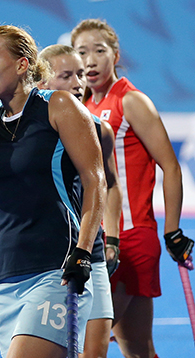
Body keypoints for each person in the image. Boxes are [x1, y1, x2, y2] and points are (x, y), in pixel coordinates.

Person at [0, 25, 106, 358]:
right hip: (3, 277)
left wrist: (83, 250)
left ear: (22, 65)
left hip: (56, 270)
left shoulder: (58, 106)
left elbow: (96, 181)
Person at [71, 18, 194, 358]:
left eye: (99, 50)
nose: (91, 60)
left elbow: (170, 165)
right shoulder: (81, 106)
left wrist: (172, 231)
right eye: (82, 52)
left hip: (127, 239)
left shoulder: (131, 101)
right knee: (137, 348)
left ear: (115, 54)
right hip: (100, 240)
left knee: (89, 349)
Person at [38, 44, 122, 358]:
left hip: (90, 250)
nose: (78, 83)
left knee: (95, 350)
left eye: (80, 75)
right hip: (50, 255)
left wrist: (110, 236)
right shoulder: (32, 130)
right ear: (43, 83)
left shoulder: (102, 130)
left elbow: (108, 185)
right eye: (66, 75)